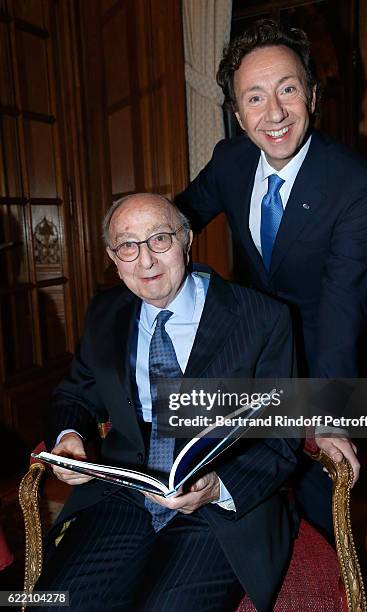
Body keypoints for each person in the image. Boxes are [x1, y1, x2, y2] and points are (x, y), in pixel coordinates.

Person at [33, 193, 300, 612]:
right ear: (113, 257)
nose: (146, 261)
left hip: (219, 509)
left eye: (160, 239)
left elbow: (283, 435)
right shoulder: (106, 312)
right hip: (125, 492)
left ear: (187, 239)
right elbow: (74, 394)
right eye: (128, 246)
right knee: (54, 603)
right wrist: (70, 437)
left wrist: (217, 488)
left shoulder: (262, 318)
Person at [177, 18, 367, 540]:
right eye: (254, 97)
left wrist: (331, 412)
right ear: (238, 114)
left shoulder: (355, 185)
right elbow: (179, 219)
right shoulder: (230, 162)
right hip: (251, 354)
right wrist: (139, 234)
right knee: (236, 495)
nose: (274, 114)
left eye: (288, 89)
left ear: (313, 96)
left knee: (320, 505)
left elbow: (343, 309)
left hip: (321, 355)